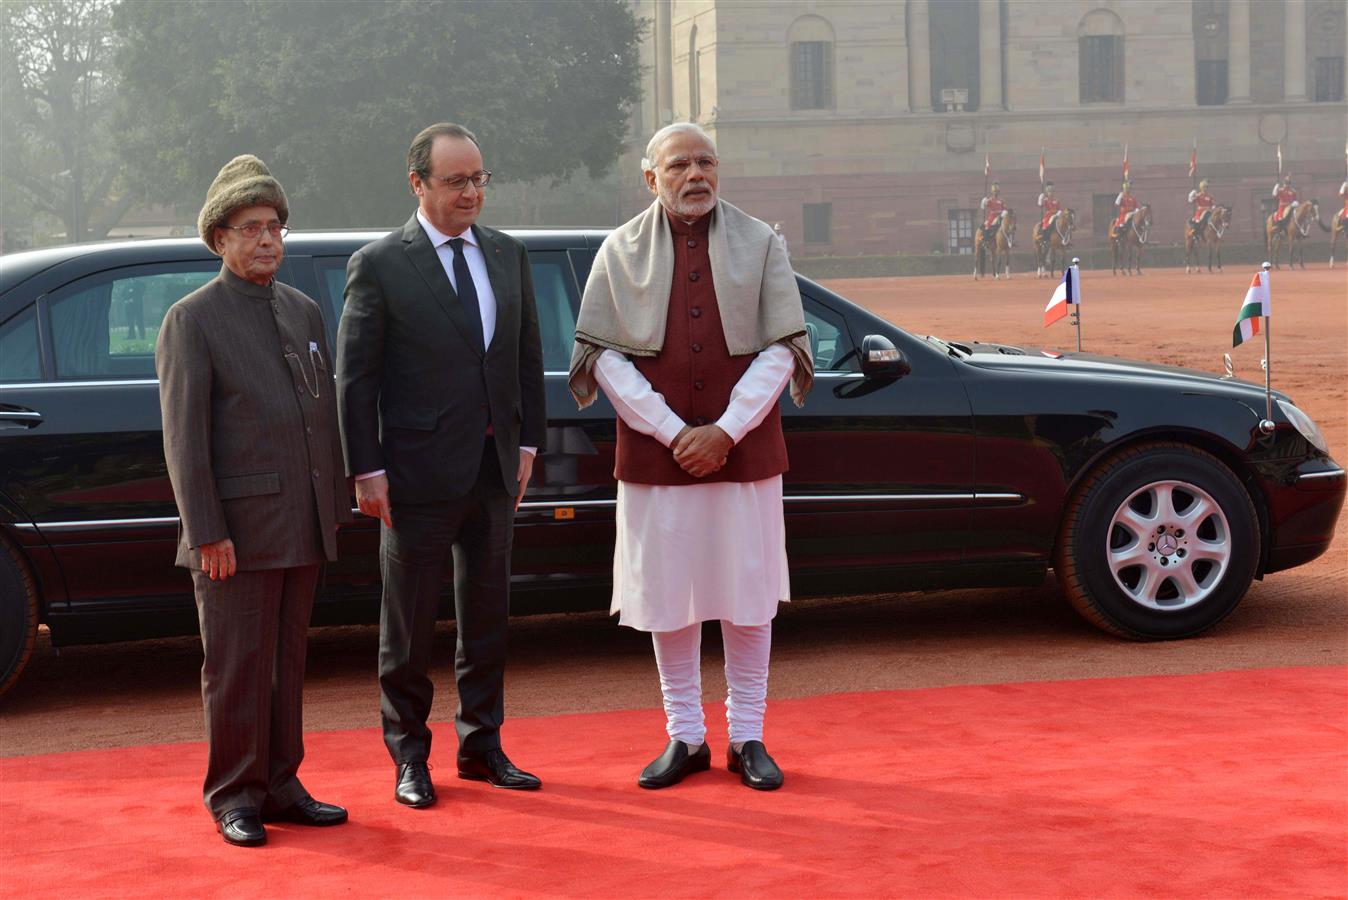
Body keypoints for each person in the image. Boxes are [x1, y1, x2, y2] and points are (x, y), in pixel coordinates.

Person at [568, 123, 814, 791]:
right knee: (667, 596)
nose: (696, 174)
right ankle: (684, 736)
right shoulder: (619, 252)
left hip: (744, 451)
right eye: (679, 164)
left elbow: (781, 349)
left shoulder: (761, 244)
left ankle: (748, 737)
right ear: (652, 178)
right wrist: (675, 431)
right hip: (657, 456)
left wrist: (726, 430)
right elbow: (605, 357)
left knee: (748, 595)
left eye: (706, 161)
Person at [336, 123, 546, 808]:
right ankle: (409, 758)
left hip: (492, 469)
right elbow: (355, 379)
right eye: (457, 180)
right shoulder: (380, 264)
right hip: (413, 477)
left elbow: (522, 359)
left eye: (480, 178)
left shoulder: (508, 256)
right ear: (418, 183)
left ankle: (483, 746)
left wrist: (526, 445)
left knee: (486, 619)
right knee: (409, 627)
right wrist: (366, 470)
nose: (472, 192)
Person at [156, 155, 351, 847]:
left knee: (287, 662)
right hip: (233, 534)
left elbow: (319, 416)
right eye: (250, 228)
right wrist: (207, 531)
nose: (267, 241)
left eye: (275, 227)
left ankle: (281, 782)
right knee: (236, 665)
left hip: (302, 521)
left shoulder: (301, 310)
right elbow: (185, 441)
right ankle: (233, 793)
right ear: (219, 239)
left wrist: (333, 507)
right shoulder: (193, 320)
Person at [1036, 181, 1063, 246]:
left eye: (1052, 191)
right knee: (1050, 221)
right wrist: (1040, 199)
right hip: (1048, 216)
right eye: (1049, 192)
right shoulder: (1045, 200)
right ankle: (1044, 238)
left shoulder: (1056, 200)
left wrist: (1059, 212)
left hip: (1057, 215)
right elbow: (1040, 205)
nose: (1051, 193)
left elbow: (1059, 208)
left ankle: (1064, 239)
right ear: (1047, 192)